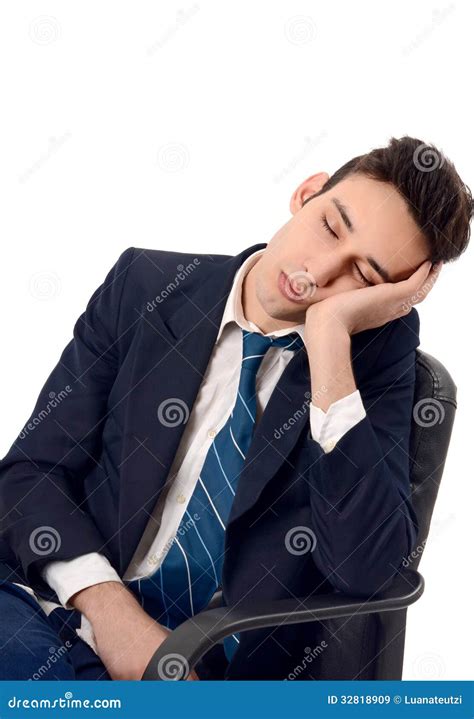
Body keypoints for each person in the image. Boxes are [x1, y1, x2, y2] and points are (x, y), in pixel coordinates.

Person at [0, 136, 471, 681]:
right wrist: (112, 614)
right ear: (306, 193)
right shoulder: (146, 286)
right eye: (330, 227)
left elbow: (364, 569)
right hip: (61, 613)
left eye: (361, 278)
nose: (317, 273)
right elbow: (32, 474)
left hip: (210, 673)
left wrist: (329, 344)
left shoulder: (372, 361)